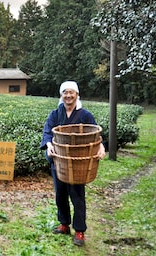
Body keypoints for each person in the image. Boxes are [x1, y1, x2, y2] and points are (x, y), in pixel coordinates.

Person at [40, 81, 105, 246]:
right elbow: (48, 132)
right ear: (61, 96)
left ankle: (80, 231)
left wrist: (101, 147)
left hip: (78, 165)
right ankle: (64, 224)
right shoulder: (56, 114)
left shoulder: (85, 115)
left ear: (77, 95)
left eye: (71, 93)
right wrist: (48, 145)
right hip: (59, 162)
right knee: (60, 195)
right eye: (65, 93)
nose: (68, 96)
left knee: (77, 196)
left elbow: (96, 135)